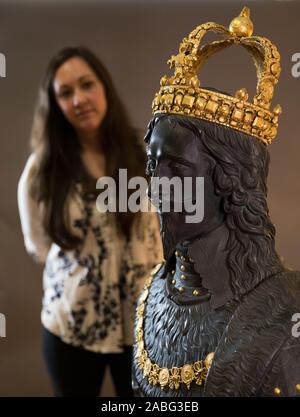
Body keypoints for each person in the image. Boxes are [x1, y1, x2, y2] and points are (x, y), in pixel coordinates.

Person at [132, 8, 300, 396]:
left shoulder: (285, 319)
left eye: (177, 167)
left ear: (232, 181)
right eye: (153, 164)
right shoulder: (152, 293)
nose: (157, 184)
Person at [17, 46, 163, 397]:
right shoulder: (42, 170)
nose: (79, 99)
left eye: (86, 85)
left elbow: (168, 229)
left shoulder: (147, 151)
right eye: (65, 93)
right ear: (55, 105)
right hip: (72, 327)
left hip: (145, 327)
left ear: (104, 87)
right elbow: (38, 245)